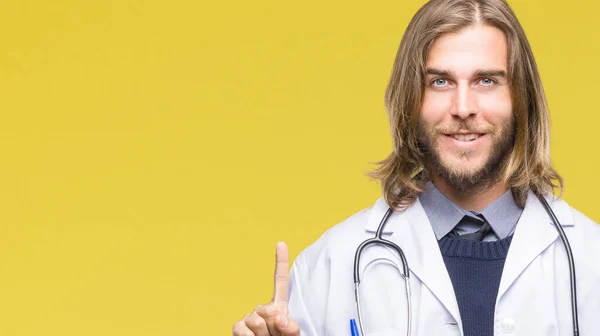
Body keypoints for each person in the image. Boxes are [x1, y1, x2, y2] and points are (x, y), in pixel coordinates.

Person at [232, 0, 600, 335]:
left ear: (521, 98)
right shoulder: (330, 265)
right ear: (410, 100)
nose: (463, 107)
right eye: (440, 81)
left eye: (486, 80)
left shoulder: (590, 257)